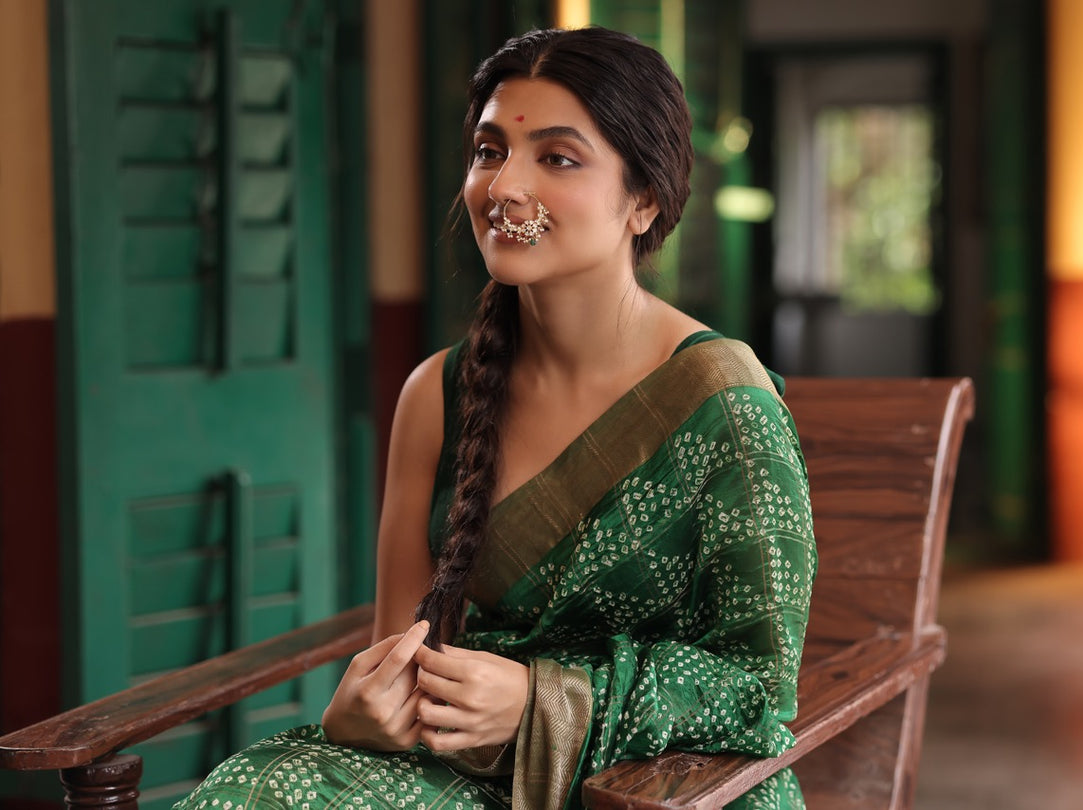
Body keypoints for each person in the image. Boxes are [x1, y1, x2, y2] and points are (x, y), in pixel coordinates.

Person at [176, 26, 816, 810]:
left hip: (661, 784)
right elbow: (402, 656)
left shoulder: (724, 401)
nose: (503, 185)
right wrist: (364, 712)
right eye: (489, 151)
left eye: (558, 158)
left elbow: (759, 693)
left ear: (644, 200)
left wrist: (542, 701)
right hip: (461, 770)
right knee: (256, 790)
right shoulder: (438, 394)